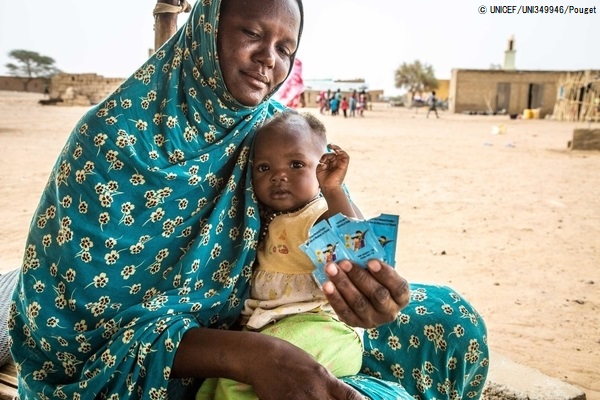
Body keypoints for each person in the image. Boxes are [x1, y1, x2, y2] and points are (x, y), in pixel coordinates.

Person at [7, 0, 489, 399]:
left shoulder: (269, 129)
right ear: (207, 29)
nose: (268, 59)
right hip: (153, 370)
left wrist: (365, 290)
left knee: (451, 319)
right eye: (252, 33)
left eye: (285, 47)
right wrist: (252, 355)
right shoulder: (114, 141)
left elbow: (331, 229)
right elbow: (69, 336)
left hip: (275, 320)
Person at [197, 111, 364, 399]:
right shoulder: (262, 220)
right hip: (276, 330)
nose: (278, 176)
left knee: (238, 385)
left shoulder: (317, 213)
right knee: (218, 381)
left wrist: (334, 190)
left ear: (321, 167)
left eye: (296, 164)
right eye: (263, 168)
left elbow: (355, 241)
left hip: (325, 329)